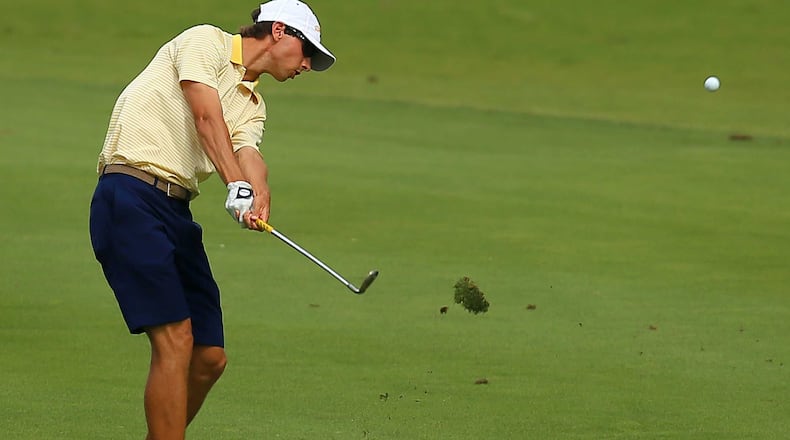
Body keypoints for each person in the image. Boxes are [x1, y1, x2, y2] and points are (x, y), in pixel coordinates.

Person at [88, 1, 335, 438]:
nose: (308, 65)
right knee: (176, 339)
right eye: (307, 51)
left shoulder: (254, 103)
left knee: (208, 356)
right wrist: (233, 184)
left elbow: (249, 154)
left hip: (174, 210)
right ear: (278, 31)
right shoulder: (206, 40)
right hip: (128, 195)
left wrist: (257, 191)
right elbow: (206, 116)